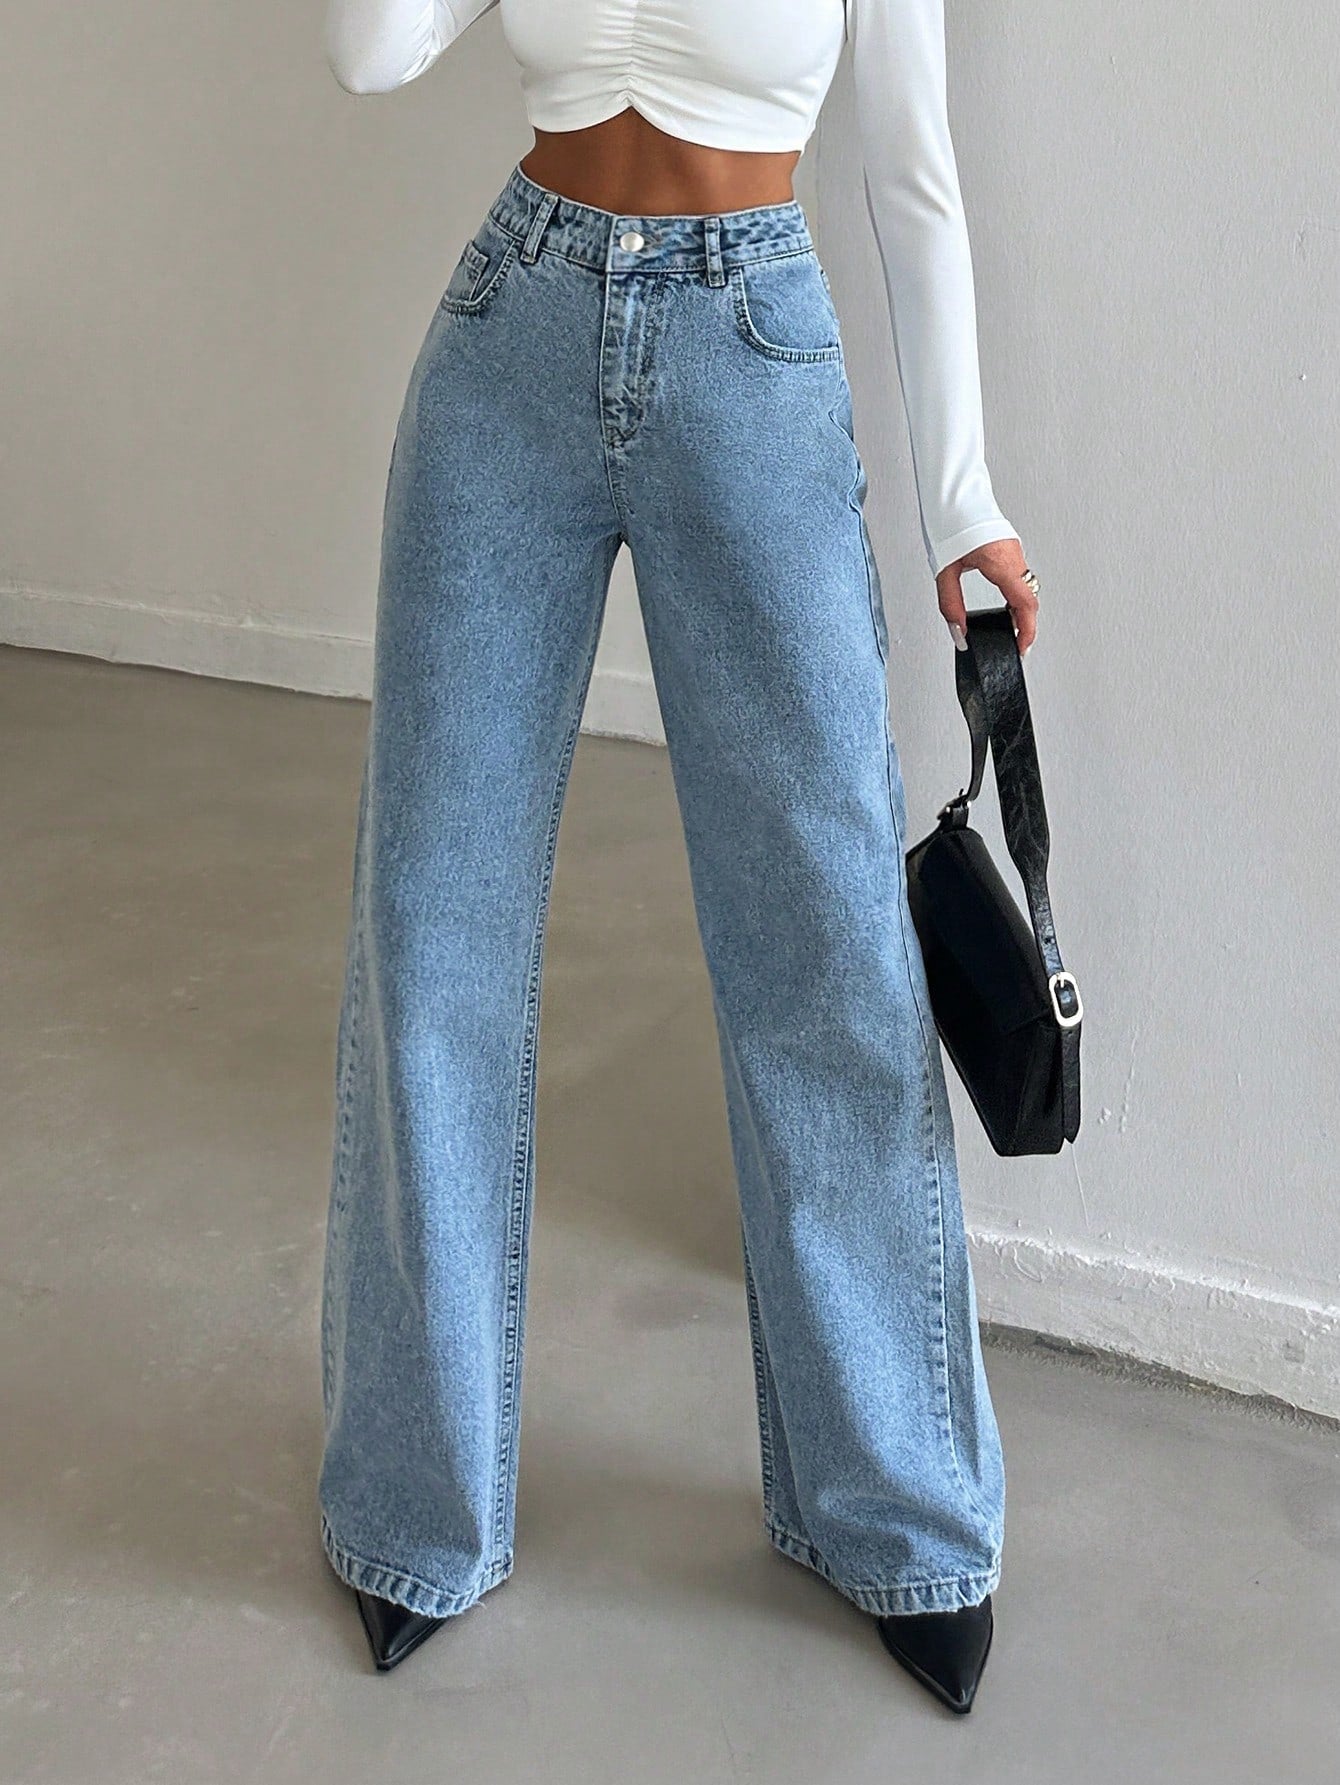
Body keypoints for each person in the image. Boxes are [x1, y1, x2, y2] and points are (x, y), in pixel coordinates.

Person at [317, 0, 1040, 1715]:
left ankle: (901, 1517)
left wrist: (963, 499)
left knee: (827, 948)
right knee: (431, 929)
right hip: (513, 330)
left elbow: (914, 174)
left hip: (749, 338)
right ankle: (415, 1505)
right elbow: (368, 52)